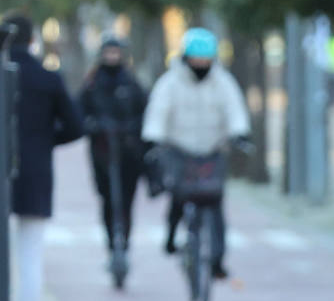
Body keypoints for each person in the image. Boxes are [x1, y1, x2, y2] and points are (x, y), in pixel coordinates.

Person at [4, 12, 85, 301]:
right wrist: (43, 142)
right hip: (36, 173)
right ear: (32, 40)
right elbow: (75, 126)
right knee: (31, 258)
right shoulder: (46, 78)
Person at [141, 27, 250, 278]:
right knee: (179, 195)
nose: (201, 64)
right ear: (186, 57)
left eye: (206, 59)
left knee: (215, 199)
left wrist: (240, 133)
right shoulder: (170, 82)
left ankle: (217, 259)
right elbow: (159, 111)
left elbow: (234, 109)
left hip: (212, 148)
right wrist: (153, 138)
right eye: (196, 59)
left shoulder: (223, 82)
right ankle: (170, 237)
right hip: (179, 147)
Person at [77, 35, 146, 254]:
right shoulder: (92, 83)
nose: (112, 57)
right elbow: (79, 111)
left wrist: (133, 128)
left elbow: (144, 111)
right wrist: (92, 125)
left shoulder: (132, 82)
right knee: (106, 196)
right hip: (102, 150)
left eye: (115, 52)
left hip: (128, 151)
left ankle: (124, 241)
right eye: (108, 52)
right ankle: (111, 242)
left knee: (127, 198)